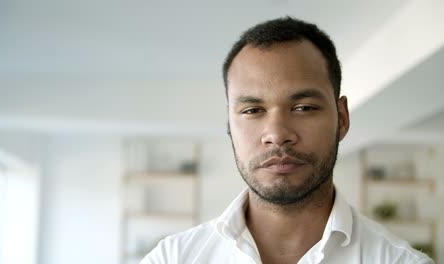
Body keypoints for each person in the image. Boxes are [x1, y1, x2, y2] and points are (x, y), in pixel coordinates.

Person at [141, 16, 434, 264]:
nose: (277, 134)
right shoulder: (173, 258)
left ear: (342, 118)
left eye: (303, 108)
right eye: (253, 110)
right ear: (230, 123)